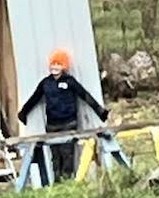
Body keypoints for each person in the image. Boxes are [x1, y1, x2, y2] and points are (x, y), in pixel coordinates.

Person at [18, 50, 108, 183]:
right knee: (55, 155)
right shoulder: (46, 83)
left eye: (58, 64)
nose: (55, 67)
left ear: (64, 66)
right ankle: (57, 182)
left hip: (68, 123)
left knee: (67, 154)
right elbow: (34, 99)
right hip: (52, 125)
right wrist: (23, 113)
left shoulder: (70, 82)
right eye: (53, 64)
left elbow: (85, 95)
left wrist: (100, 112)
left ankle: (68, 180)